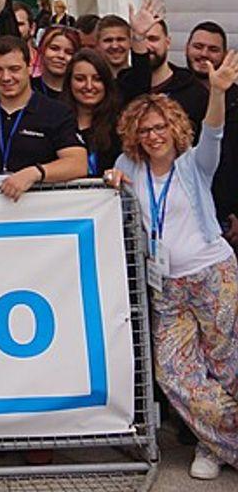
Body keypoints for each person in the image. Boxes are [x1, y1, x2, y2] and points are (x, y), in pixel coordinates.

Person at [106, 50, 238, 481]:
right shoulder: (129, 164)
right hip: (166, 284)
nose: (154, 135)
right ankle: (227, 441)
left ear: (174, 127)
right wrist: (110, 179)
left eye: (160, 127)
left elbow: (214, 131)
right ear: (134, 134)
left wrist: (217, 90)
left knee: (225, 364)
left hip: (211, 273)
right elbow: (114, 179)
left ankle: (211, 446)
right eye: (145, 130)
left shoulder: (194, 163)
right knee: (175, 371)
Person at [0, 35, 87, 199]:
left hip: (38, 211)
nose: (6, 78)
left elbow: (78, 163)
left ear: (29, 67)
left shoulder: (55, 112)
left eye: (14, 69)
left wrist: (36, 173)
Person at [145, 19, 209, 140]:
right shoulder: (122, 89)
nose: (147, 46)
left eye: (153, 39)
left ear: (167, 42)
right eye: (140, 39)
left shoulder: (194, 91)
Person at [62, 49, 123, 176]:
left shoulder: (120, 126)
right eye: (80, 79)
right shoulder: (56, 121)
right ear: (69, 82)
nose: (89, 86)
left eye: (97, 79)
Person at [33, 26, 80, 98]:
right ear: (42, 49)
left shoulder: (80, 92)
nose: (61, 56)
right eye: (54, 48)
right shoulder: (28, 88)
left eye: (69, 52)